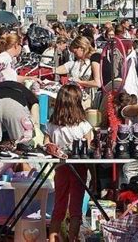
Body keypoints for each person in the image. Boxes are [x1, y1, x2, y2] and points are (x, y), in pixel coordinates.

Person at [45, 84, 92, 242]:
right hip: (79, 167)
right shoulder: (83, 125)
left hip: (60, 167)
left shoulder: (51, 125)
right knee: (75, 207)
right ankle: (72, 238)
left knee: (59, 205)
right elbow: (89, 145)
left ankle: (52, 239)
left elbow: (47, 145)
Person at [0, 81, 38, 145]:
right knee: (21, 145)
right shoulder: (25, 90)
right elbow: (35, 105)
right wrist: (32, 123)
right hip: (14, 105)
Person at [54, 36, 101, 107]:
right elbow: (58, 69)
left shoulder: (94, 61)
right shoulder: (75, 63)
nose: (74, 55)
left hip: (88, 101)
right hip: (74, 100)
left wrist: (79, 82)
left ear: (81, 48)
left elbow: (97, 83)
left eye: (75, 52)